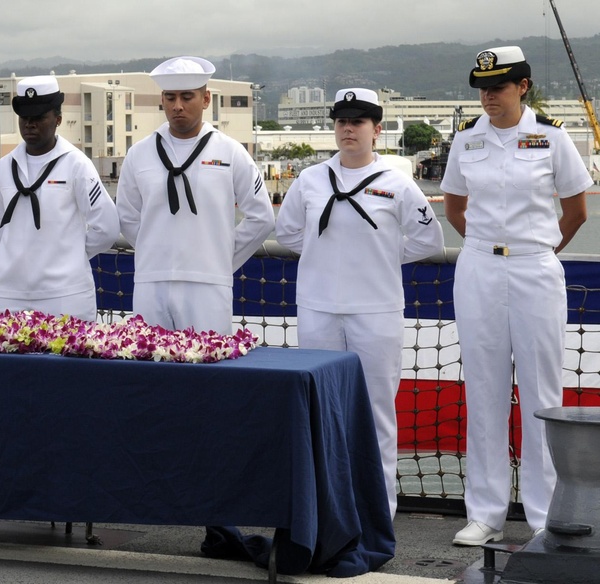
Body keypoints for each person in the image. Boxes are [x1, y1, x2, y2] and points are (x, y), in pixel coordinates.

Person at [440, 46, 591, 546]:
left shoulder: (551, 138)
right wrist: (488, 249)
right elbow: (456, 207)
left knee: (541, 391)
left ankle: (545, 512)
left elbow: (575, 211)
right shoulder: (466, 141)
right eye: (483, 87)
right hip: (480, 267)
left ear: (523, 87)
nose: (488, 96)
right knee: (483, 390)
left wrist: (538, 249)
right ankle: (485, 512)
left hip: (535, 268)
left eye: (499, 87)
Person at [274, 87, 445, 518]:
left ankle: (378, 510)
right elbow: (290, 233)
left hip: (377, 310)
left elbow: (428, 240)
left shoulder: (397, 184)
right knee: (321, 409)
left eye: (359, 122)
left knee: (377, 412)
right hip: (318, 309)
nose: (348, 129)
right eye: (342, 122)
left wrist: (381, 256)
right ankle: (326, 507)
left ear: (377, 130)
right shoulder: (310, 180)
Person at [116, 56, 274, 334]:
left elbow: (262, 218)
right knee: (149, 369)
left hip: (209, 284)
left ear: (205, 99)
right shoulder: (139, 154)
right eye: (170, 97)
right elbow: (127, 216)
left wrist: (220, 258)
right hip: (151, 282)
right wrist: (157, 252)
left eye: (187, 97)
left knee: (209, 371)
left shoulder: (230, 152)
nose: (177, 106)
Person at [0, 75, 119, 321]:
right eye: (25, 118)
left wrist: (68, 252)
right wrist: (22, 247)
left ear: (58, 120)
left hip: (66, 294)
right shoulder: (3, 168)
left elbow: (106, 227)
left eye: (39, 118)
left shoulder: (77, 166)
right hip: (8, 293)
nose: (30, 125)